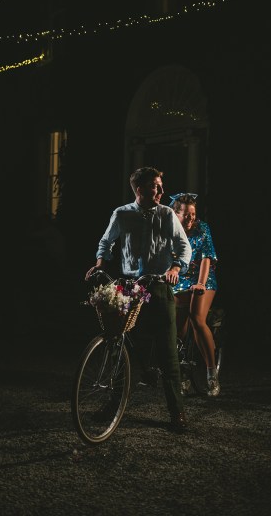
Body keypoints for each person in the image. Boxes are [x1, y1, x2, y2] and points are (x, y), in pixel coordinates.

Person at [85, 167, 192, 433]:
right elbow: (105, 242)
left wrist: (176, 268)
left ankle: (177, 413)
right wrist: (99, 263)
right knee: (127, 351)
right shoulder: (122, 214)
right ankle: (114, 405)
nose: (161, 191)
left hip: (159, 287)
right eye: (156, 186)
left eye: (161, 186)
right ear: (140, 190)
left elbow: (184, 247)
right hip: (132, 289)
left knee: (168, 353)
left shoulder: (167, 214)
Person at [169, 192, 220, 397]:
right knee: (178, 329)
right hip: (180, 278)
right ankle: (182, 374)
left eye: (193, 214)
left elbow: (207, 258)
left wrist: (200, 282)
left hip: (202, 278)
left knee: (197, 319)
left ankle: (211, 372)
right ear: (175, 214)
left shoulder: (202, 228)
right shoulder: (170, 230)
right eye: (186, 215)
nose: (191, 218)